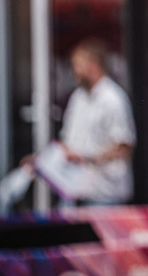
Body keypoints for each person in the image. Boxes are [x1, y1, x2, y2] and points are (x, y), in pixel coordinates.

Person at [32, 38, 136, 205]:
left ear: (93, 65)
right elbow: (67, 141)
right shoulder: (78, 97)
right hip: (74, 190)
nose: (74, 71)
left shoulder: (113, 99)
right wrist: (42, 160)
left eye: (78, 65)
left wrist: (85, 157)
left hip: (104, 194)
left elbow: (123, 147)